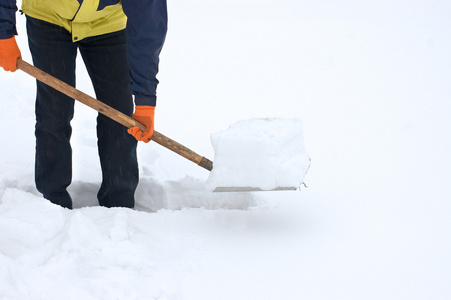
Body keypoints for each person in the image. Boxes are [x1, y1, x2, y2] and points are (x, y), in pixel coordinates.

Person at [0, 0, 168, 209]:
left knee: (119, 117)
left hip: (107, 24)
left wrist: (145, 100)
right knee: (54, 112)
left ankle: (119, 204)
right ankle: (51, 204)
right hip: (48, 16)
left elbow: (147, 24)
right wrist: (3, 31)